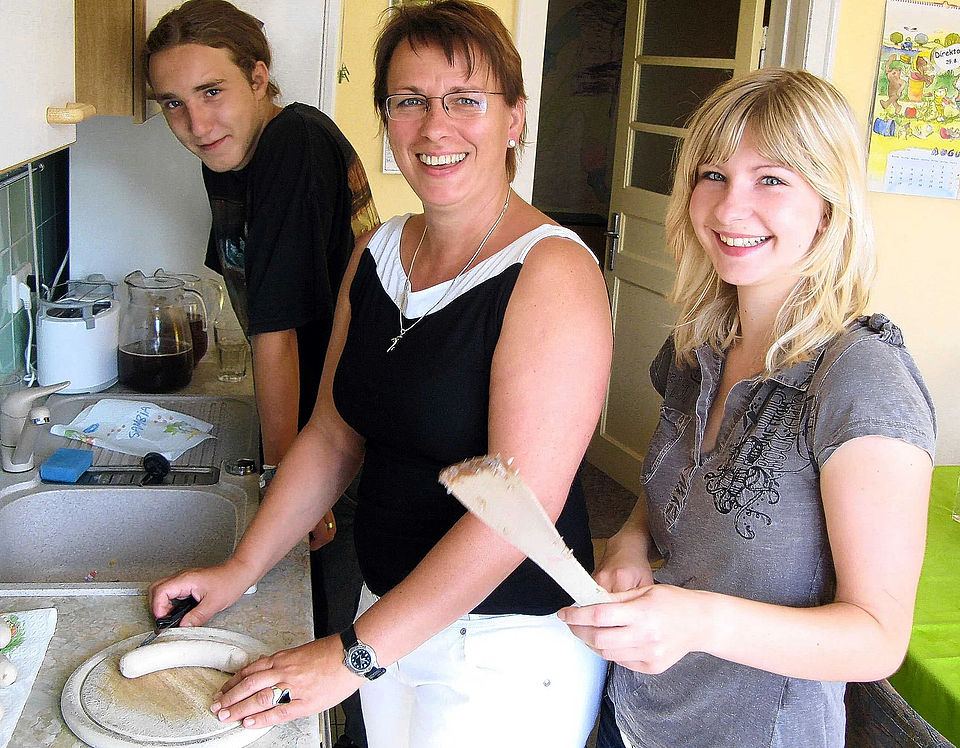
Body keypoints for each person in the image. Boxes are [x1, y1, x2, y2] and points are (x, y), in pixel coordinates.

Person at [149, 2, 611, 747]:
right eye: (409, 101)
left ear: (515, 118)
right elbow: (333, 435)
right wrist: (241, 567)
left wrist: (351, 655)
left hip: (505, 651)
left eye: (465, 100)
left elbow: (514, 513)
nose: (435, 127)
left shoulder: (551, 272)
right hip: (389, 612)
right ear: (387, 118)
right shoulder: (380, 254)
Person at [559, 68, 937, 748]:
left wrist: (698, 622)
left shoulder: (859, 381)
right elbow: (663, 503)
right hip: (634, 714)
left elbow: (877, 639)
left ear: (828, 204)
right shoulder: (696, 346)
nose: (731, 209)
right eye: (713, 175)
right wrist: (629, 547)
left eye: (772, 180)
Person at [144, 3, 377, 743]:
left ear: (258, 75)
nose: (196, 122)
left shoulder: (289, 146)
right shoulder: (240, 155)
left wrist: (284, 484)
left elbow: (277, 334)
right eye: (174, 105)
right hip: (329, 426)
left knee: (333, 646)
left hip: (345, 433)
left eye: (211, 91)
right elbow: (251, 296)